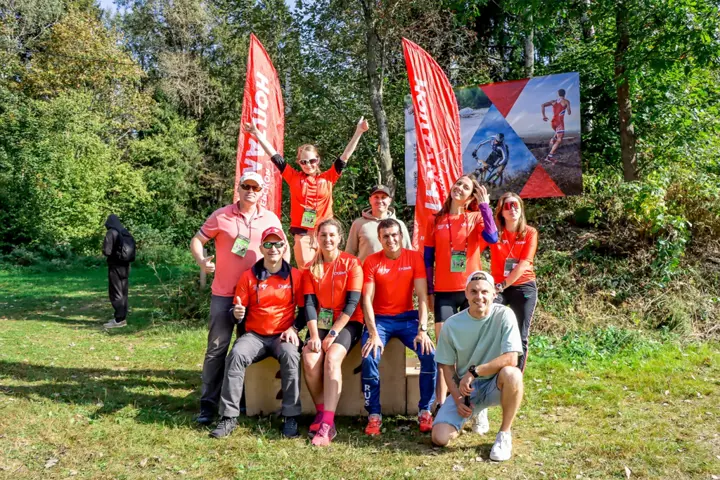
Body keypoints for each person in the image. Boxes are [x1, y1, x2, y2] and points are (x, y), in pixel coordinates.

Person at [190, 172, 289, 425]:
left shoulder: (270, 218)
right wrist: (201, 261)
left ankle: (244, 400)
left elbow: (283, 249)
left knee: (246, 351)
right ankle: (208, 405)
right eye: (246, 186)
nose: (250, 191)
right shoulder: (221, 215)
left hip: (257, 296)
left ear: (262, 191)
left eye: (255, 187)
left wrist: (284, 283)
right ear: (239, 188)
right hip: (225, 294)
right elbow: (197, 240)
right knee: (217, 349)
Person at [210, 227, 305, 439]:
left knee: (291, 356)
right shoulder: (248, 276)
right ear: (261, 248)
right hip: (255, 336)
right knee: (236, 355)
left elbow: (305, 310)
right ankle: (228, 417)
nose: (273, 248)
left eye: (278, 244)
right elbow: (236, 313)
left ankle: (291, 416)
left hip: (282, 335)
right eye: (268, 244)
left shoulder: (295, 276)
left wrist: (294, 328)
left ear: (284, 247)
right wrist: (236, 314)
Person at [243, 117, 369, 269]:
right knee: (308, 271)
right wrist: (256, 132)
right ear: (299, 162)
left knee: (329, 271)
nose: (308, 165)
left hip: (325, 234)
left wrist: (359, 131)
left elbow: (345, 156)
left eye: (312, 161)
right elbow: (274, 155)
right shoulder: (293, 177)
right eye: (303, 162)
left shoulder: (328, 177)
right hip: (303, 235)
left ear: (318, 160)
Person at [424, 175, 498, 420]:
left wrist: (485, 206)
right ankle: (441, 402)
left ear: (471, 195)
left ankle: (478, 404)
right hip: (444, 291)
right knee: (444, 350)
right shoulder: (436, 220)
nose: (459, 188)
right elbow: (427, 259)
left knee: (475, 348)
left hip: (471, 291)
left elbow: (493, 237)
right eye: (458, 184)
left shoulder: (476, 217)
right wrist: (430, 291)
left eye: (466, 187)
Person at [431, 271, 524, 462]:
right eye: (473, 291)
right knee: (439, 438)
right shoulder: (451, 324)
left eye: (484, 292)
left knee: (513, 374)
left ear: (494, 294)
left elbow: (512, 358)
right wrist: (458, 399)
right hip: (466, 390)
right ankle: (474, 411)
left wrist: (474, 372)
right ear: (466, 294)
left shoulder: (505, 315)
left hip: (495, 384)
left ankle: (504, 434)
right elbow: (446, 366)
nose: (479, 297)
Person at [361, 218, 435, 435]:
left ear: (401, 236)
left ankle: (425, 410)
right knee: (369, 356)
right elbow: (366, 299)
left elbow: (422, 296)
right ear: (379, 239)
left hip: (406, 319)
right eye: (385, 236)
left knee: (430, 354)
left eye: (394, 235)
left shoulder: (414, 257)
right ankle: (374, 414)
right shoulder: (372, 261)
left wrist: (423, 329)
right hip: (380, 320)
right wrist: (373, 333)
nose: (391, 239)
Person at [301, 218, 364, 447]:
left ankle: (327, 425)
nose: (327, 239)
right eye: (323, 235)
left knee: (332, 358)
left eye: (331, 235)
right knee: (310, 358)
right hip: (321, 323)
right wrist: (314, 336)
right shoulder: (311, 267)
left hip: (348, 322)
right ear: (317, 238)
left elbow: (352, 304)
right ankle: (322, 412)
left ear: (340, 238)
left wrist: (333, 334)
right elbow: (309, 305)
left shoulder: (351, 263)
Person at [346, 184, 412, 262]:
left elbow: (408, 252)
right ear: (370, 200)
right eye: (376, 197)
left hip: (395, 269)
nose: (380, 201)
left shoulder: (399, 224)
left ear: (389, 201)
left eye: (383, 197)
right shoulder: (359, 224)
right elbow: (349, 255)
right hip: (367, 269)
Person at [102, 214, 135, 329]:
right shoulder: (124, 232)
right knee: (123, 291)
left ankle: (119, 319)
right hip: (126, 265)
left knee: (116, 291)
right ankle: (122, 317)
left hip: (115, 265)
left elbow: (107, 251)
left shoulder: (111, 232)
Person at [541, 89, 571, 164]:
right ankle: (549, 156)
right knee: (559, 139)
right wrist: (567, 108)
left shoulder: (553, 101)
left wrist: (544, 116)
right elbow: (569, 112)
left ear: (558, 94)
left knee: (558, 134)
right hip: (559, 123)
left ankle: (553, 138)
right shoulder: (566, 101)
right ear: (564, 94)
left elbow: (542, 105)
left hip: (553, 122)